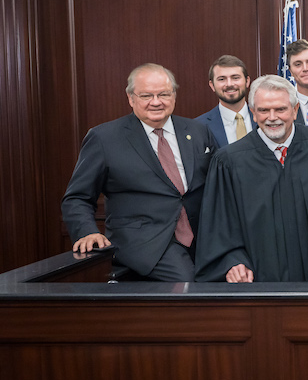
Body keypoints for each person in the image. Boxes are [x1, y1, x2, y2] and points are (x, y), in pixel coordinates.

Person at [61, 63, 216, 281]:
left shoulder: (197, 131)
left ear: (174, 96)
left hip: (202, 237)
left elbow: (218, 183)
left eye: (163, 94)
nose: (156, 102)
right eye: (146, 95)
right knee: (189, 286)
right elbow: (77, 197)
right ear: (131, 98)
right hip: (144, 242)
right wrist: (87, 232)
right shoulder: (104, 138)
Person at [195, 75, 308, 282]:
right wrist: (233, 261)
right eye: (264, 110)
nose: (272, 117)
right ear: (253, 113)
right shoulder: (229, 161)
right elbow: (220, 224)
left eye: (280, 109)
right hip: (263, 274)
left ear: (295, 111)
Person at [196, 54, 255, 148]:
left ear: (247, 81)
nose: (229, 84)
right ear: (212, 85)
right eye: (222, 79)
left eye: (235, 78)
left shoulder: (264, 118)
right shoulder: (199, 127)